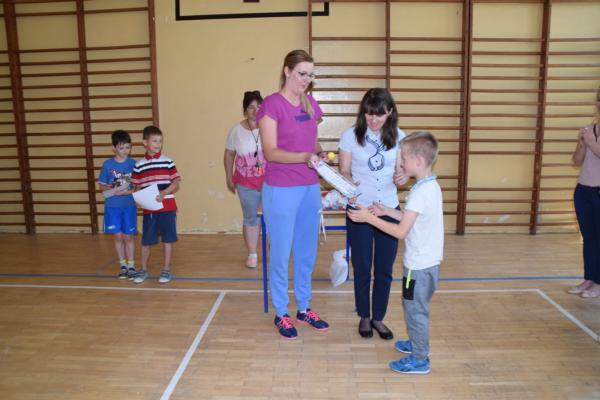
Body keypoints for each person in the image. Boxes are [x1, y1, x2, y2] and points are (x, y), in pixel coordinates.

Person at [348, 131, 443, 375]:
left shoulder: (419, 193)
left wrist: (369, 217)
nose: (400, 164)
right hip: (429, 264)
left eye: (404, 160)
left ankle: (420, 359)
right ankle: (416, 343)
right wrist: (387, 211)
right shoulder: (430, 186)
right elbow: (410, 218)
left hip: (418, 267)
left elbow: (400, 232)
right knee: (414, 306)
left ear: (418, 161)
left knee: (414, 310)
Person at [257, 49, 329, 339]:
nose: (306, 79)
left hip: (310, 187)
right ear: (287, 71)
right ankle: (281, 312)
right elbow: (271, 152)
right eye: (302, 73)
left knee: (306, 251)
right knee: (281, 252)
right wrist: (304, 157)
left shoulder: (310, 103)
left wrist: (321, 154)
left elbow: (313, 140)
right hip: (281, 188)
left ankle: (304, 307)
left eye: (310, 75)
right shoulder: (271, 105)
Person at [338, 88, 406, 340]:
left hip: (388, 208)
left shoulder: (399, 137)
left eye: (379, 114)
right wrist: (348, 181)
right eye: (369, 114)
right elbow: (344, 170)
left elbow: (402, 171)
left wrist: (403, 176)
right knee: (362, 265)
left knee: (385, 268)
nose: (374, 120)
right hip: (360, 208)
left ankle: (378, 317)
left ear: (390, 112)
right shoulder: (350, 136)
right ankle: (364, 316)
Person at [131, 125, 181, 284]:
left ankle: (166, 270)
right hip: (150, 210)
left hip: (168, 207)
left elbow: (176, 182)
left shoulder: (168, 161)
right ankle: (143, 269)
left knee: (167, 239)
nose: (158, 144)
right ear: (145, 143)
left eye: (160, 141)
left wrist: (164, 193)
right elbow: (136, 187)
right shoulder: (139, 165)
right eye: (154, 141)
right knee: (146, 240)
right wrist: (138, 201)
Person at [224, 90, 266, 268]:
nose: (255, 111)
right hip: (245, 182)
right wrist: (229, 177)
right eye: (251, 107)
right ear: (245, 110)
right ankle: (252, 253)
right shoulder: (236, 131)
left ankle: (274, 251)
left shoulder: (271, 126)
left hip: (271, 182)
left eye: (259, 106)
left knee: (273, 217)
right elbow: (229, 155)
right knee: (251, 218)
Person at [569, 87, 600, 298]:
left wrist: (592, 143)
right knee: (589, 238)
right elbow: (576, 161)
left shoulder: (592, 136)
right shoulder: (590, 129)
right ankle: (589, 278)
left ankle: (599, 283)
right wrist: (582, 145)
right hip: (583, 190)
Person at [98, 129, 137, 279]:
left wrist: (128, 192)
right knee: (118, 237)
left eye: (128, 147)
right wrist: (113, 189)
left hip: (128, 206)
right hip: (112, 207)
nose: (125, 151)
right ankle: (123, 266)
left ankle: (131, 266)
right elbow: (101, 186)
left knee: (128, 237)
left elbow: (137, 186)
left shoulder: (133, 164)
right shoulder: (107, 165)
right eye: (121, 148)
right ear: (114, 148)